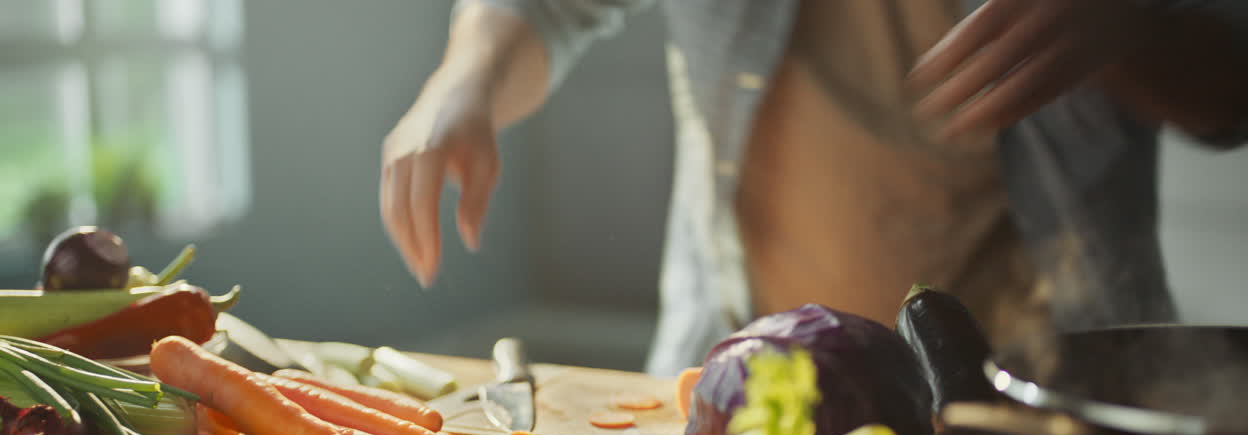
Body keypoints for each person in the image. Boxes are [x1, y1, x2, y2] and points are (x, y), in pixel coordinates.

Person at [379, 0, 1248, 376]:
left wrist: (1126, 29)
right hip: (741, 388)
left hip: (1042, 411)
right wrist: (464, 84)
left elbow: (1230, 88)